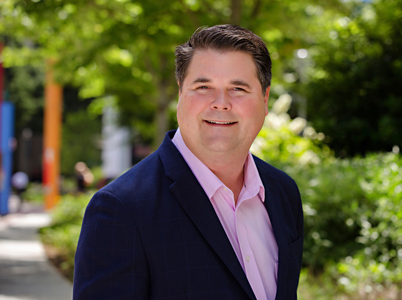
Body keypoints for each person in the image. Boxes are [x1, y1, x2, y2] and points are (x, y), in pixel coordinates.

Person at [73, 24, 303, 300]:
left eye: (238, 89)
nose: (221, 103)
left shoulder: (283, 193)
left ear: (264, 100)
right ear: (181, 94)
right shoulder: (121, 209)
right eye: (203, 86)